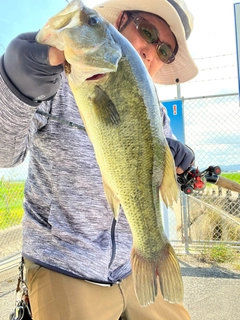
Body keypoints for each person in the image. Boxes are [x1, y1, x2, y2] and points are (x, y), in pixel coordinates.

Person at [0, 0, 197, 319]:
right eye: (146, 31)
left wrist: (177, 156)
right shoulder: (52, 83)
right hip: (63, 264)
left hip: (133, 266)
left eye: (164, 52)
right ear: (120, 21)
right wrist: (14, 89)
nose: (150, 51)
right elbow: (4, 153)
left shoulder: (155, 110)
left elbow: (161, 150)